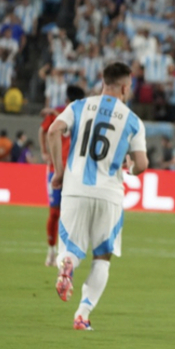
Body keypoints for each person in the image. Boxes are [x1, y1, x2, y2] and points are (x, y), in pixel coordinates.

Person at [47, 62, 148, 330]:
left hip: (75, 188)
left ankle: (67, 265)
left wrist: (58, 171)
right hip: (109, 194)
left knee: (70, 248)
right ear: (126, 87)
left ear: (103, 81)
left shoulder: (79, 106)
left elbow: (53, 130)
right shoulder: (132, 120)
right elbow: (142, 163)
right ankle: (82, 314)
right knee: (102, 256)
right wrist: (131, 167)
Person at [39, 85, 86, 267]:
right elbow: (43, 130)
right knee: (54, 212)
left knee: (75, 212)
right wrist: (44, 151)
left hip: (76, 170)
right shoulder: (57, 113)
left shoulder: (84, 115)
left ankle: (68, 252)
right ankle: (51, 250)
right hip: (56, 168)